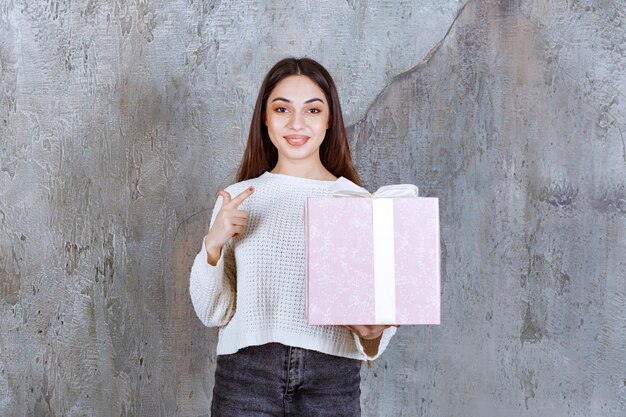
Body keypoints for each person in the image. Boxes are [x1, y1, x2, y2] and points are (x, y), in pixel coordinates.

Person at [189, 57, 397, 417]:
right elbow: (213, 312)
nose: (297, 123)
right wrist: (213, 244)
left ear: (329, 120)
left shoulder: (359, 203)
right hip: (246, 377)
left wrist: (373, 332)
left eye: (312, 109)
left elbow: (374, 334)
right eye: (282, 108)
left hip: (331, 379)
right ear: (265, 119)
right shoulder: (238, 198)